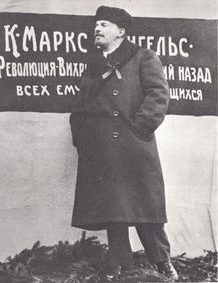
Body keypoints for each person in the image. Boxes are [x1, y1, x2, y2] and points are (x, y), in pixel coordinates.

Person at [70, 5, 178, 281]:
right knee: (113, 210)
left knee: (146, 209)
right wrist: (83, 138)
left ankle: (162, 262)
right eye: (96, 25)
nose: (97, 29)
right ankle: (119, 263)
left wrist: (140, 128)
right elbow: (81, 104)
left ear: (120, 31)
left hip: (134, 146)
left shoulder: (143, 57)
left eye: (104, 24)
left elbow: (158, 95)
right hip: (102, 148)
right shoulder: (93, 65)